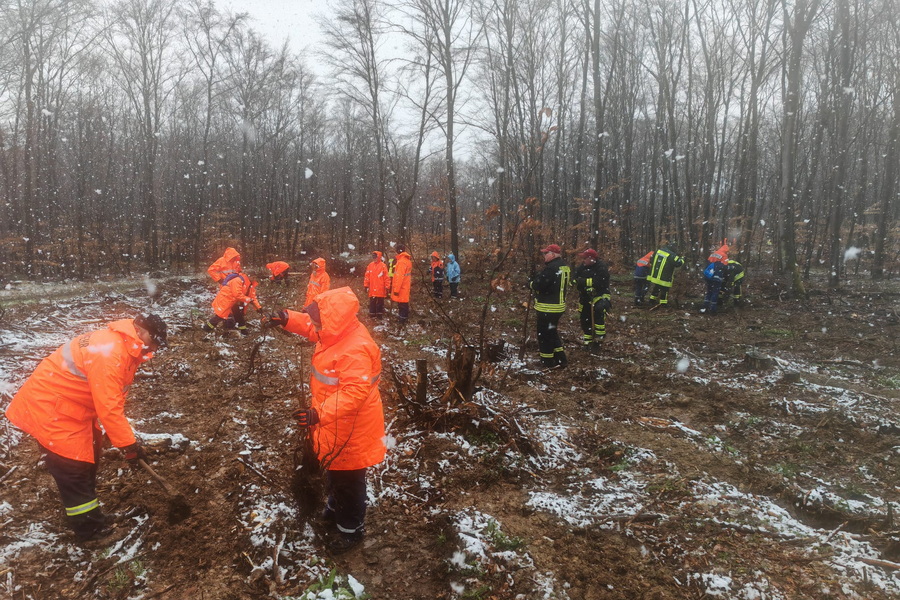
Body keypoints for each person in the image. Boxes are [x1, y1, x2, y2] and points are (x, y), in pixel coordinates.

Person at [5, 314, 167, 542]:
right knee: (73, 468)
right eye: (155, 340)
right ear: (140, 331)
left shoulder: (123, 346)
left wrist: (118, 435)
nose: (155, 347)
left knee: (90, 453)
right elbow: (109, 406)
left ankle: (93, 516)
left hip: (70, 406)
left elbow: (112, 399)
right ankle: (89, 532)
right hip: (52, 409)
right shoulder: (110, 353)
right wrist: (128, 445)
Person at [264, 288, 385, 554]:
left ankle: (351, 531)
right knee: (333, 470)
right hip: (335, 423)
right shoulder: (335, 332)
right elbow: (312, 327)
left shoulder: (355, 349)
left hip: (353, 429)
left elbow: (354, 392)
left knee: (350, 482)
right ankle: (333, 508)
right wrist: (286, 318)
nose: (314, 325)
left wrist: (319, 414)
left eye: (318, 319)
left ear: (333, 320)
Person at [529, 244, 571, 368]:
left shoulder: (552, 268)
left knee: (544, 335)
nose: (544, 256)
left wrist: (531, 283)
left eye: (546, 253)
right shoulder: (564, 267)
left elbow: (539, 285)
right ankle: (561, 358)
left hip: (547, 307)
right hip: (558, 307)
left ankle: (547, 361)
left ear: (552, 254)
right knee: (552, 332)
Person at [202, 271, 262, 335]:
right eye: (253, 277)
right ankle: (207, 328)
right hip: (226, 299)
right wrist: (248, 299)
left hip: (234, 301)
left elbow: (252, 297)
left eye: (255, 277)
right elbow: (237, 294)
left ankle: (243, 331)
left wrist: (258, 307)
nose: (254, 278)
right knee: (220, 316)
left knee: (239, 315)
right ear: (248, 275)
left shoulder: (250, 285)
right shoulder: (238, 280)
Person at [573, 248, 611, 347]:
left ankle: (599, 336)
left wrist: (584, 282)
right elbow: (575, 277)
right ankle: (588, 341)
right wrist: (578, 282)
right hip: (585, 297)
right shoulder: (583, 266)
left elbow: (599, 282)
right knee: (584, 318)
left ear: (592, 258)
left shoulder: (601, 267)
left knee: (598, 310)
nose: (583, 260)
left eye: (585, 258)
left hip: (600, 295)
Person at [647, 242, 684, 307]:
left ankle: (651, 301)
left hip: (655, 275)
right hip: (665, 276)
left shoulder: (659, 250)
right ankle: (663, 303)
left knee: (657, 287)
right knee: (665, 289)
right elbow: (678, 263)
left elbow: (651, 259)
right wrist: (683, 259)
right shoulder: (672, 255)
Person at [390, 245, 412, 325]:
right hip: (405, 286)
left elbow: (399, 277)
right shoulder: (406, 260)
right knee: (404, 303)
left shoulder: (401, 262)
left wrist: (396, 290)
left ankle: (402, 320)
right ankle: (404, 318)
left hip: (402, 287)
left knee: (402, 304)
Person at [363, 251, 388, 319]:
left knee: (380, 302)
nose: (374, 258)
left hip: (380, 288)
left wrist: (387, 286)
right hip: (372, 288)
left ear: (379, 257)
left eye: (375, 257)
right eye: (373, 257)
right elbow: (367, 276)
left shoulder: (383, 265)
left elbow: (386, 277)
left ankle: (379, 315)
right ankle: (372, 315)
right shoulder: (370, 265)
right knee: (372, 302)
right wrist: (366, 285)